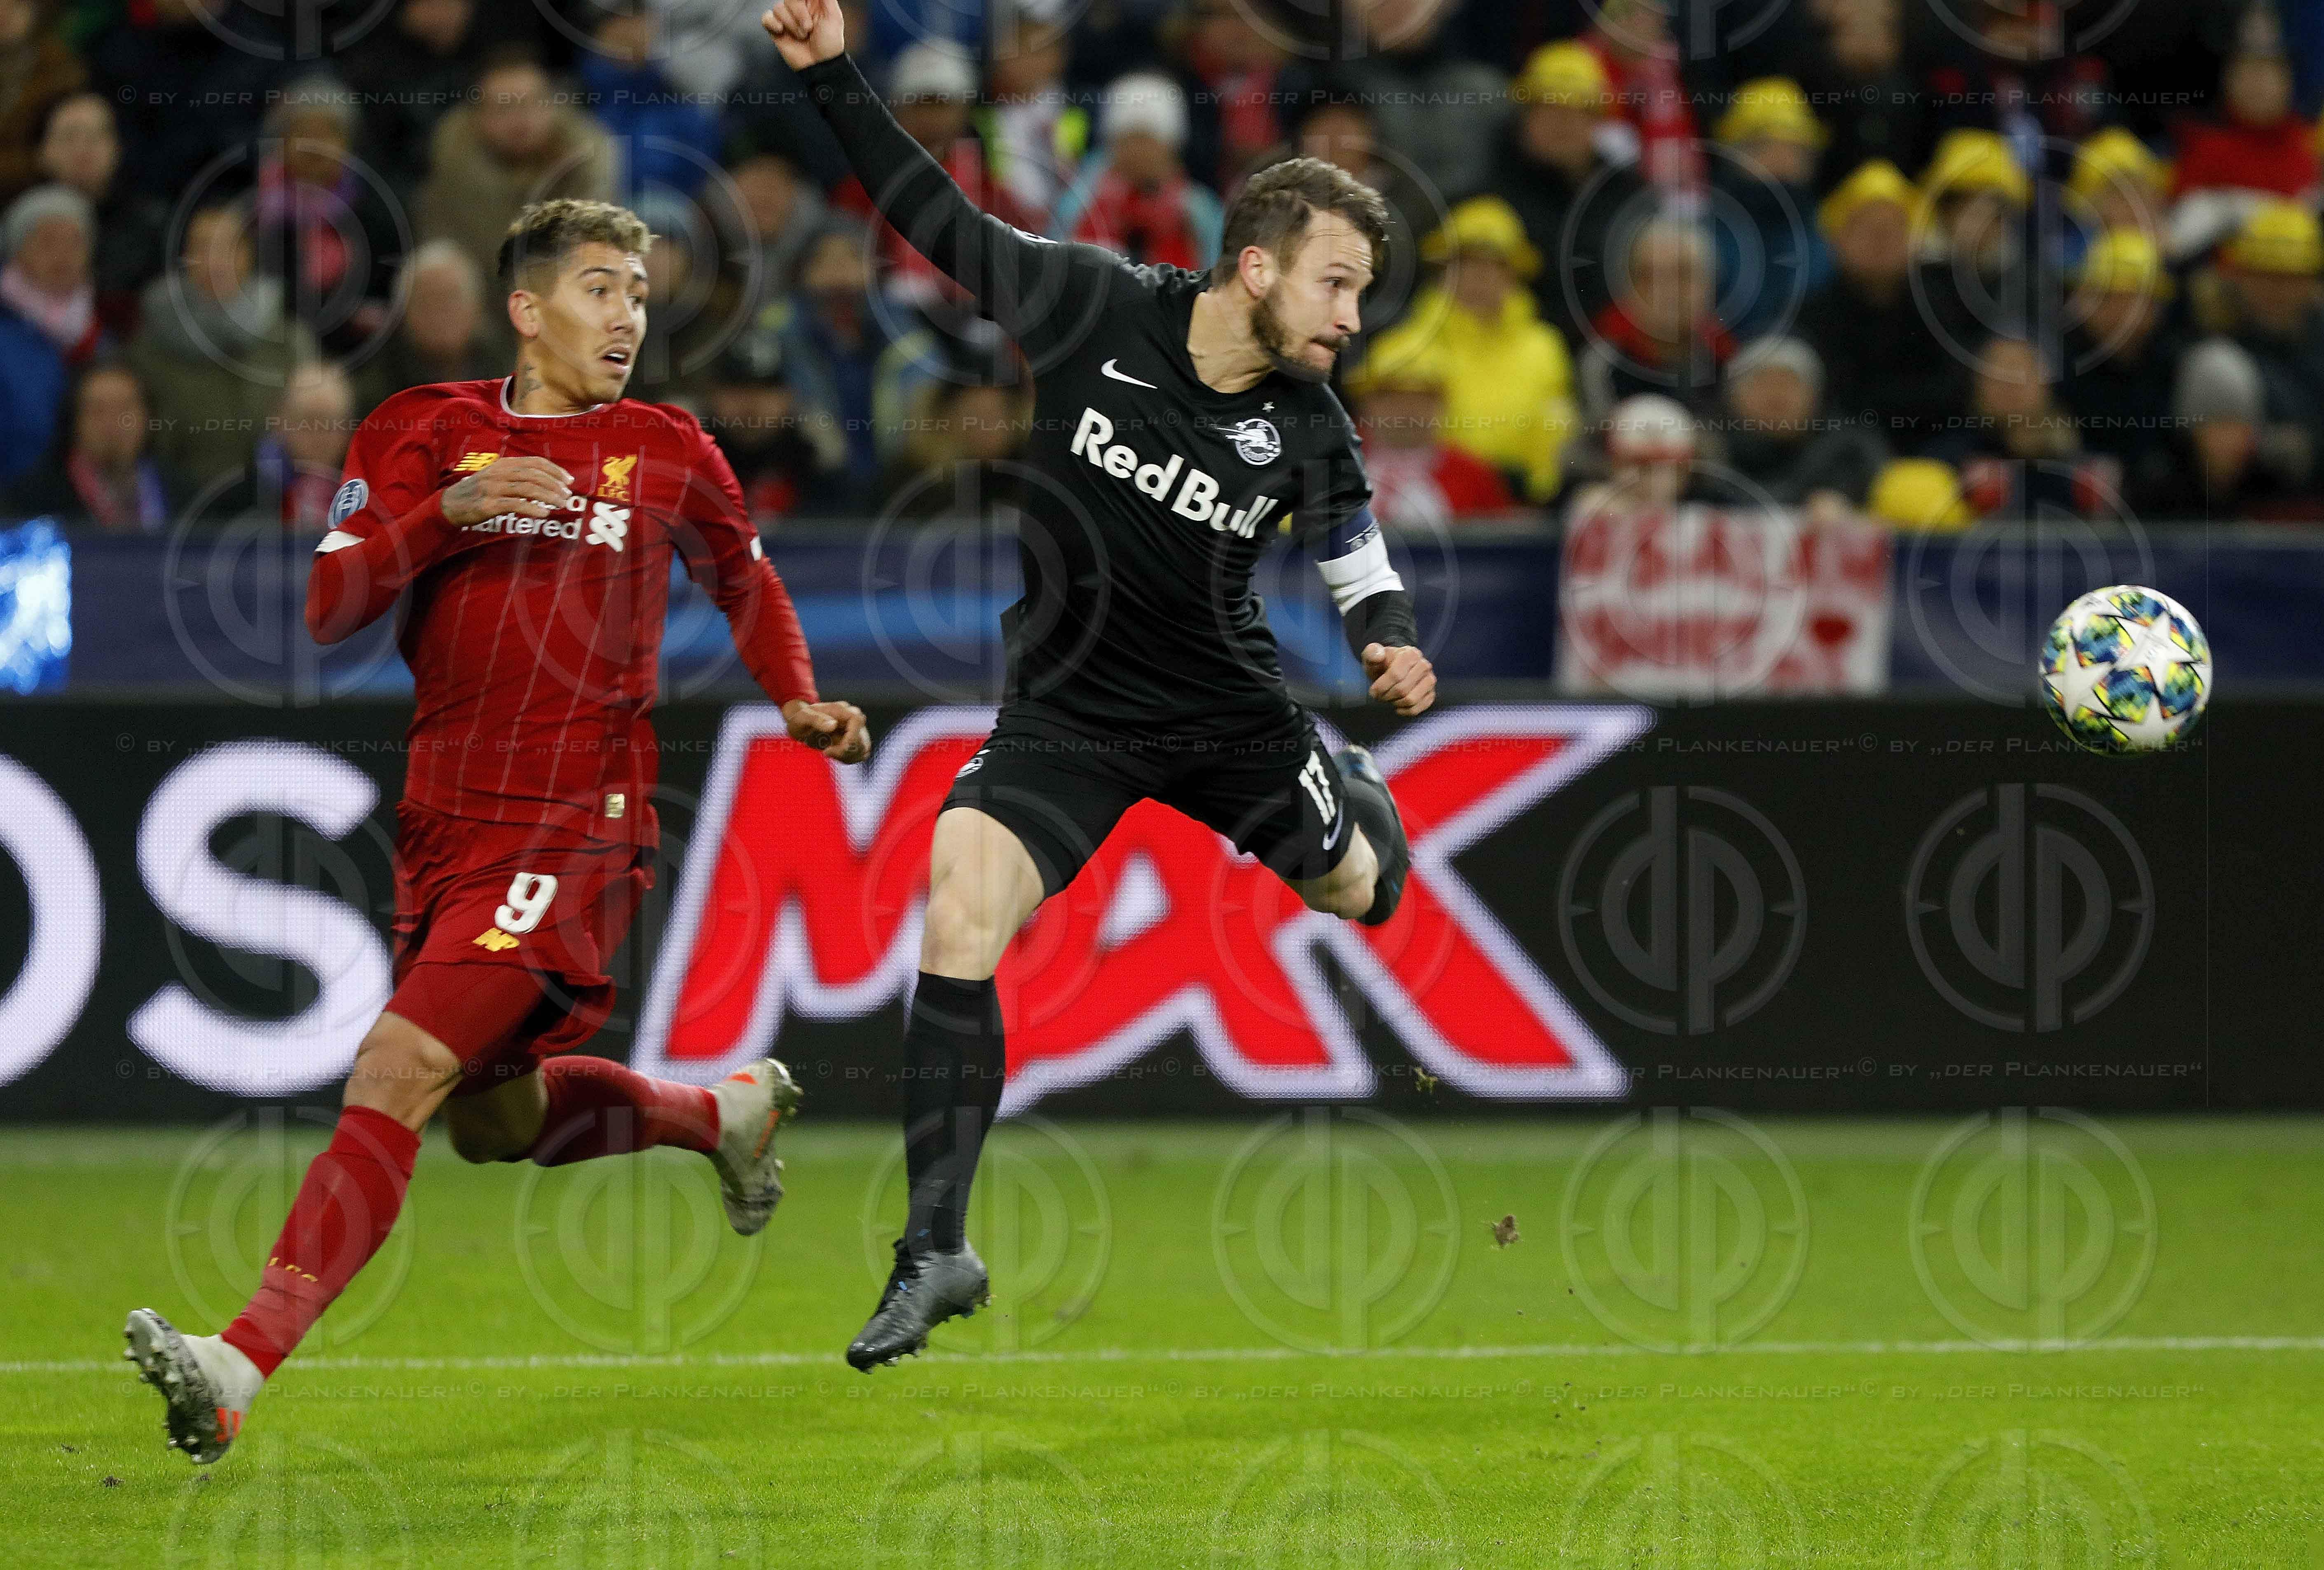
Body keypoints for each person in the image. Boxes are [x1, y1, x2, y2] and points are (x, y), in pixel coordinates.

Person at [124, 197, 871, 1466]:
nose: (626, 315)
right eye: (597, 289)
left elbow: (744, 576)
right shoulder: (420, 430)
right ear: (527, 310)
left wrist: (795, 693)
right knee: (493, 1124)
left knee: (393, 1071)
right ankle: (716, 1117)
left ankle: (237, 1359)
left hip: (577, 823)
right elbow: (327, 605)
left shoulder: (669, 446)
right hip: (444, 824)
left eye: (636, 292)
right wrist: (449, 517)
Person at [765, 0, 1432, 1369]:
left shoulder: (1308, 425)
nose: (1353, 315)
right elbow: (932, 218)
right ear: (1256, 266)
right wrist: (834, 72)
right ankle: (936, 1247)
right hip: (1067, 713)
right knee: (957, 911)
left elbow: (1351, 550)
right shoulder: (1089, 303)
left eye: (1362, 291)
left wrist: (1392, 633)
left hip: (1228, 720)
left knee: (1359, 889)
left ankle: (1354, 807)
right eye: (1338, 281)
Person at [1374, 195, 1577, 504]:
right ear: (1444, 272)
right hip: (1433, 501)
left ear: (1514, 275)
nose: (1481, 277)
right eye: (1467, 263)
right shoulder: (1402, 348)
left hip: (1524, 507)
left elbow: (1556, 431)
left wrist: (1539, 489)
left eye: (1496, 265)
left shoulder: (1545, 347)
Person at [126, 204, 322, 493]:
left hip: (277, 497)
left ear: (248, 256)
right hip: (181, 498)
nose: (215, 262)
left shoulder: (290, 340)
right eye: (202, 249)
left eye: (229, 248)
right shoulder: (151, 344)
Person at [1483, 42, 1645, 351]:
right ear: (1524, 117)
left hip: (1613, 352)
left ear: (1599, 120)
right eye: (1547, 108)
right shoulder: (1491, 197)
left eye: (1578, 111)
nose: (1562, 123)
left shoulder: (1628, 194)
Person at [418, 52, 617, 301]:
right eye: (504, 108)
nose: (519, 121)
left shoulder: (585, 165)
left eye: (531, 103)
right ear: (477, 115)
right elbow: (444, 244)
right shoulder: (453, 170)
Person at [1799, 158, 1965, 453]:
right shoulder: (1814, 313)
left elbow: (1957, 390)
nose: (1881, 241)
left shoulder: (1943, 303)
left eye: (1893, 229)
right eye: (1866, 228)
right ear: (1837, 240)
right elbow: (1830, 402)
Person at [1340, 338, 1515, 528]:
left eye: (1422, 399)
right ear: (1366, 403)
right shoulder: (1336, 467)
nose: (1407, 410)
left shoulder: (1474, 476)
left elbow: (1504, 550)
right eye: (1392, 397)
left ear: (1442, 406)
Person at [1054, 74, 1221, 272]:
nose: (1138, 152)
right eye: (1130, 139)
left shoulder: (1198, 210)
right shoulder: (1079, 203)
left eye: (1147, 140)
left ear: (1170, 146)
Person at [32, 92, 166, 336]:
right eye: (69, 137)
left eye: (96, 137)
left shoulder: (153, 223)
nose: (83, 149)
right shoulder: (16, 228)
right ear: (43, 152)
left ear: (117, 149)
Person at [1709, 79, 1831, 341]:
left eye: (1795, 150)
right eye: (1764, 146)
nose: (1781, 161)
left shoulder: (1823, 235)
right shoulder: (1702, 232)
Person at [1710, 335, 1886, 515]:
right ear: (1734, 396)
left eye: (1789, 384)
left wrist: (1848, 508)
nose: (1777, 397)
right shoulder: (1708, 452)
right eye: (1764, 383)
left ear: (1814, 398)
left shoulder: (1851, 454)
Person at [2, 359, 170, 530]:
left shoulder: (186, 500)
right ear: (74, 422)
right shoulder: (32, 502)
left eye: (125, 410)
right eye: (97, 411)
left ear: (148, 417)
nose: (112, 424)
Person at [357, 240, 501, 409]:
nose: (440, 312)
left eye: (451, 299)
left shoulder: (512, 375)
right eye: (426, 301)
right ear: (403, 315)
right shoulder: (378, 394)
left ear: (477, 307)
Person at [0, 182, 102, 368]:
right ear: (19, 254)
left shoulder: (101, 337)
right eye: (48, 242)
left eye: (74, 243)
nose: (63, 255)